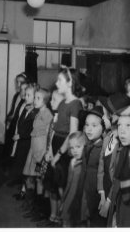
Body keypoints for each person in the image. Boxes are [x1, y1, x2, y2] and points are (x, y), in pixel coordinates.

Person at [22, 88, 53, 216]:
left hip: (40, 150)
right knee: (31, 177)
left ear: (45, 101)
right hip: (33, 148)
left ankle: (40, 210)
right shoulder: (38, 112)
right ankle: (32, 205)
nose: (35, 100)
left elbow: (49, 133)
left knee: (40, 179)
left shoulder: (47, 114)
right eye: (34, 97)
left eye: (38, 98)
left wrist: (46, 151)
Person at [51, 67, 83, 191]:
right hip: (57, 143)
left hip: (65, 147)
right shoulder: (63, 103)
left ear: (70, 83)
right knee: (56, 184)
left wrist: (59, 154)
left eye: (60, 80)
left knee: (63, 185)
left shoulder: (75, 104)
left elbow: (72, 133)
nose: (56, 83)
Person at [38, 89, 65, 227]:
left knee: (59, 189)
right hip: (50, 157)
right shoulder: (54, 116)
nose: (51, 102)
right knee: (52, 189)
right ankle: (52, 216)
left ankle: (60, 219)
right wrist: (48, 151)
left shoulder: (64, 120)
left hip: (59, 160)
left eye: (55, 99)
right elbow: (50, 136)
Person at [80, 106, 107, 227]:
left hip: (97, 191)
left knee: (97, 220)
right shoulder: (87, 144)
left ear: (104, 128)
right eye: (87, 125)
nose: (89, 129)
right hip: (87, 188)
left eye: (94, 126)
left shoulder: (103, 148)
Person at [9, 83, 39, 190]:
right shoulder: (26, 108)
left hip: (28, 144)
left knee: (28, 169)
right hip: (21, 144)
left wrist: (21, 135)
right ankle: (23, 190)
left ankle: (26, 191)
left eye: (28, 95)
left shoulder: (36, 112)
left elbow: (33, 130)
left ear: (36, 97)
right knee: (22, 167)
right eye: (25, 95)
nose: (25, 97)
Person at [60, 131, 87, 227]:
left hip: (79, 203)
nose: (74, 150)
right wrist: (63, 200)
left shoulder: (85, 165)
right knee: (66, 223)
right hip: (69, 199)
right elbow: (68, 184)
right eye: (72, 148)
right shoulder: (72, 162)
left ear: (85, 146)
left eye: (78, 147)